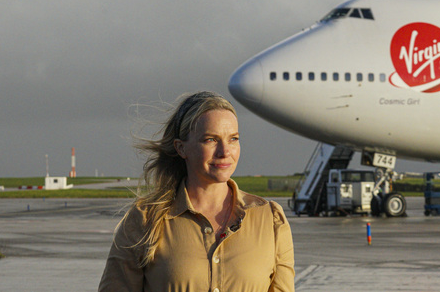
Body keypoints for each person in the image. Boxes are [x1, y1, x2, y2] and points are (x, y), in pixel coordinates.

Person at [98, 91, 295, 292]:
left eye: (233, 139)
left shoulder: (270, 220)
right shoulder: (145, 219)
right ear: (181, 148)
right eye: (210, 140)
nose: (225, 152)